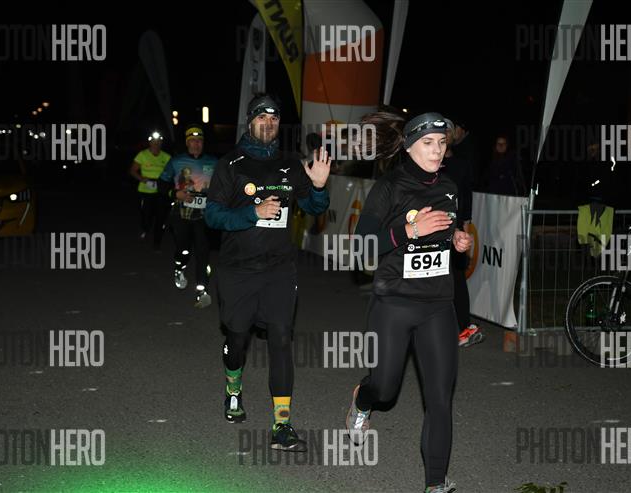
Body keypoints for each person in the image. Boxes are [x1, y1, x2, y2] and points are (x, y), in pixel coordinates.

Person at [345, 112, 472, 493]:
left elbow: (449, 229)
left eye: (442, 143)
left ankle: (435, 483)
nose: (437, 150)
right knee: (385, 390)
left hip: (438, 305)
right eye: (428, 143)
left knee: (440, 398)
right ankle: (362, 399)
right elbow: (362, 248)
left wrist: (457, 240)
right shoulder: (389, 187)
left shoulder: (449, 187)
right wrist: (410, 230)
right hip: (394, 303)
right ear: (408, 146)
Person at [204, 94, 331, 451]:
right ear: (250, 121)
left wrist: (319, 187)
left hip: (278, 270)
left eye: (274, 118)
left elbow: (314, 208)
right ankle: (233, 387)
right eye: (262, 116)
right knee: (237, 339)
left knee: (281, 338)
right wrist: (252, 213)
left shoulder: (290, 164)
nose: (269, 122)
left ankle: (282, 425)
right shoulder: (230, 164)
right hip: (238, 270)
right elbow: (212, 215)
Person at [158, 124, 218, 307]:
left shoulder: (214, 162)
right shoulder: (176, 161)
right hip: (182, 214)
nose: (196, 144)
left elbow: (224, 186)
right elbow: (162, 184)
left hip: (204, 216)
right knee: (183, 249)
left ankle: (202, 291)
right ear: (187, 143)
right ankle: (179, 267)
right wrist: (175, 193)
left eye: (199, 141)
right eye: (192, 141)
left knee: (203, 252)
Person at [442, 126, 484, 348]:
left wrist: (465, 226)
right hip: (427, 229)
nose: (444, 136)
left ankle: (464, 327)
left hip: (454, 229)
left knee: (457, 278)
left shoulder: (461, 165)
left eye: (448, 131)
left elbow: (466, 197)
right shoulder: (427, 164)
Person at [129, 131, 171, 250]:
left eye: (158, 142)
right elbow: (132, 171)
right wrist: (143, 179)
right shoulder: (142, 155)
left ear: (161, 143)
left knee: (161, 216)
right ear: (150, 142)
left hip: (161, 190)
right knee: (146, 216)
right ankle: (145, 228)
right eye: (154, 141)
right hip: (145, 190)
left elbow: (172, 172)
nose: (156, 144)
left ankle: (157, 242)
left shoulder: (166, 157)